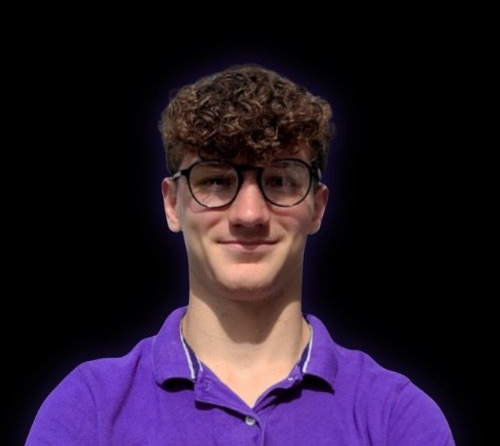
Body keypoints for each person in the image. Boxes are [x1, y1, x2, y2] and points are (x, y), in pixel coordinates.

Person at [26, 65, 455, 445]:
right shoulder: (88, 410)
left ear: (318, 207)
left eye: (280, 181)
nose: (249, 215)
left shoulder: (397, 418)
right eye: (216, 181)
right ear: (172, 204)